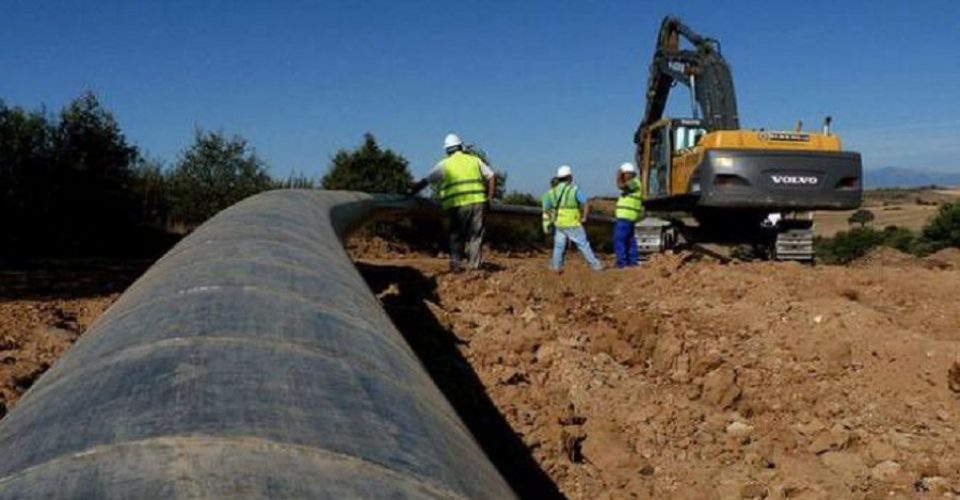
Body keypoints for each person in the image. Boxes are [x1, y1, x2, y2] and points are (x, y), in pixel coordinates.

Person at [409, 133, 496, 271]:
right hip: (479, 202)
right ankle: (474, 268)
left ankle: (456, 267)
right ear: (461, 147)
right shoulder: (474, 160)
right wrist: (490, 198)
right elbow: (491, 176)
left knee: (456, 236)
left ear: (447, 150)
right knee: (475, 237)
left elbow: (426, 181)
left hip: (458, 204)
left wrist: (410, 192)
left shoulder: (445, 164)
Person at [542, 165, 602, 271]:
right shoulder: (574, 190)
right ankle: (595, 266)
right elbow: (586, 203)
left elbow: (546, 207)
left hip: (559, 223)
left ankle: (556, 267)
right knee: (583, 245)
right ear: (570, 177)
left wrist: (553, 217)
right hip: (573, 223)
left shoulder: (552, 192)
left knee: (559, 246)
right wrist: (584, 217)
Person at [613, 162, 643, 268]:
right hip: (629, 216)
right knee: (630, 240)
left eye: (624, 174)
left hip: (626, 216)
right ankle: (632, 262)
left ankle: (622, 263)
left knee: (619, 239)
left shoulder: (634, 183)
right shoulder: (635, 183)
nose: (623, 176)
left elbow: (621, 186)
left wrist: (618, 176)